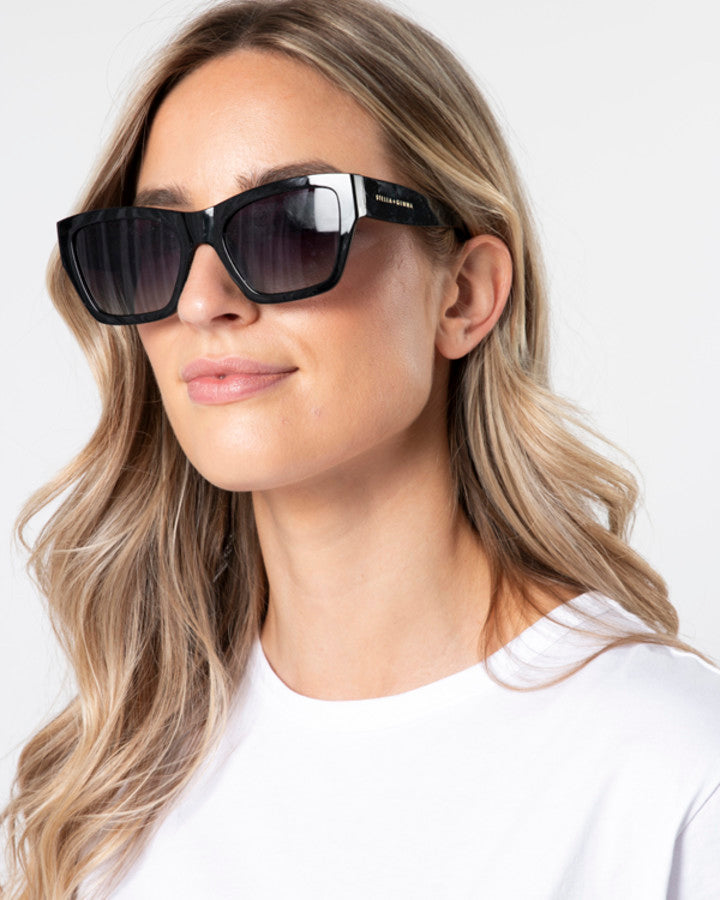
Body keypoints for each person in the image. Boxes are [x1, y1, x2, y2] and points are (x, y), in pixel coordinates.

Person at [2, 0, 719, 897]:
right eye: (156, 244)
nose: (202, 302)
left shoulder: (669, 775)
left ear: (464, 294)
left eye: (290, 225)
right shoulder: (111, 791)